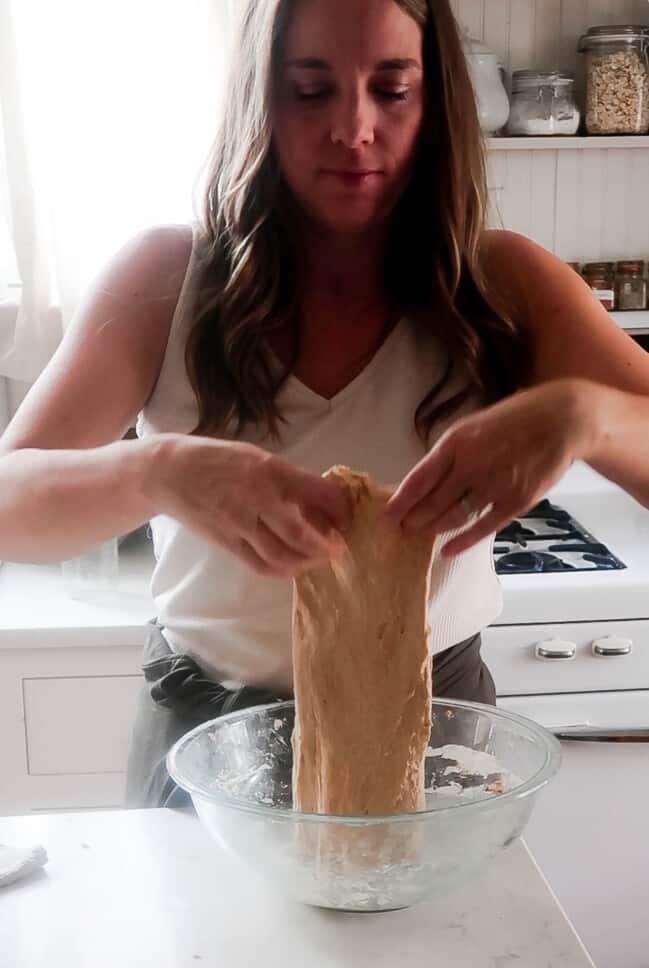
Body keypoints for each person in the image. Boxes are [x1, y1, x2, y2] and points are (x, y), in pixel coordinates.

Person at [1, 0, 649, 808]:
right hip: (210, 729)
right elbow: (9, 506)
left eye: (391, 88)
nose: (352, 128)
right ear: (257, 100)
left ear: (436, 98)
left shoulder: (506, 285)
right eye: (311, 91)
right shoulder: (165, 278)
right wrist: (156, 470)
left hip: (432, 720)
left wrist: (592, 412)